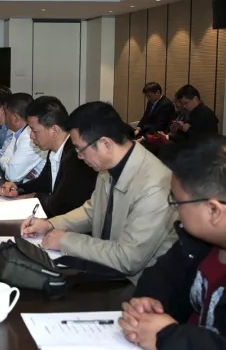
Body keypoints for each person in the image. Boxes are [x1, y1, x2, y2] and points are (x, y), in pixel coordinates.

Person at [120, 135, 226, 350]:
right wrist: (150, 303)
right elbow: (161, 276)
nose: (175, 210)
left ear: (214, 211)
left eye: (176, 202)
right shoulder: (199, 240)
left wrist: (170, 338)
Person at [21, 101, 176, 283]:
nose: (79, 157)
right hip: (105, 268)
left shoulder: (154, 187)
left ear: (105, 144)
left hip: (138, 286)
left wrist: (66, 240)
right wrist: (50, 225)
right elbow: (93, 210)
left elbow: (128, 258)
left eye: (80, 149)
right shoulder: (109, 166)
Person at [0, 96, 97, 217]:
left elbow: (60, 204)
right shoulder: (53, 151)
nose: (32, 136)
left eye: (35, 131)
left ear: (54, 130)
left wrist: (33, 196)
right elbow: (44, 182)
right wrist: (18, 188)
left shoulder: (76, 157)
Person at [0, 93, 47, 182]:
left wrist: (8, 163)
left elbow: (12, 175)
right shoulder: (18, 132)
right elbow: (2, 159)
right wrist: (10, 164)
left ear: (15, 118)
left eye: (6, 114)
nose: (5, 118)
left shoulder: (30, 137)